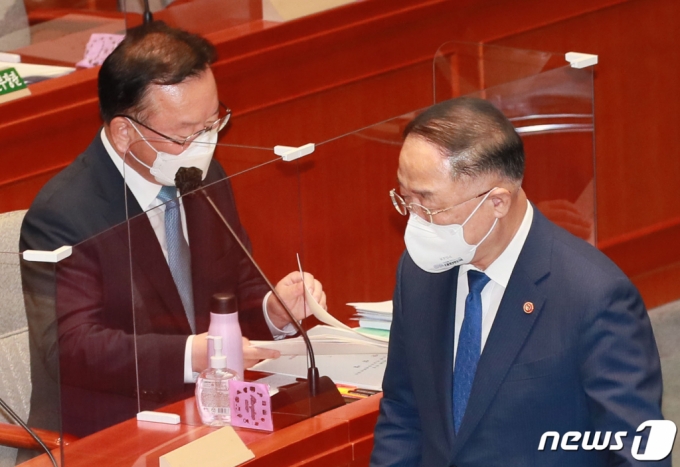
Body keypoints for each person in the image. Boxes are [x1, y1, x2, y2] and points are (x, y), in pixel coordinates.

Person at [19, 21, 325, 443]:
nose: (206, 144)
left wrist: (272, 309)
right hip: (107, 433)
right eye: (186, 133)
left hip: (208, 412)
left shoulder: (201, 175)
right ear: (125, 132)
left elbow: (232, 288)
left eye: (212, 124)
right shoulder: (64, 214)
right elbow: (71, 350)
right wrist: (192, 356)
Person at [370, 97, 666, 466]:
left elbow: (638, 453)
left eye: (429, 205)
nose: (415, 220)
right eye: (405, 197)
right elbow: (403, 408)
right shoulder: (419, 271)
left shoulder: (594, 297)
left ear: (497, 202)